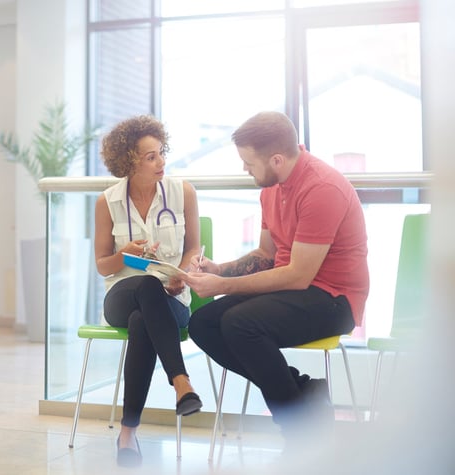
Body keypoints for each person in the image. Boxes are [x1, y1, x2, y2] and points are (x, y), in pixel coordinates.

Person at [180, 111, 369, 454]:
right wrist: (218, 269)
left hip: (335, 299)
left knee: (240, 324)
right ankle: (302, 393)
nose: (244, 169)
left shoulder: (322, 188)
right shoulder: (272, 188)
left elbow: (298, 275)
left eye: (248, 162)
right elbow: (266, 254)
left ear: (277, 159)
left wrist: (221, 287)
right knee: (204, 324)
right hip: (293, 289)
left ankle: (297, 428)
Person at [94, 115, 203, 468]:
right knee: (145, 286)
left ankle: (128, 432)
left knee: (145, 319)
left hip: (173, 298)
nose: (161, 163)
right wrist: (125, 254)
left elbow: (194, 250)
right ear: (129, 161)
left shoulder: (182, 192)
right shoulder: (107, 202)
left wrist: (183, 275)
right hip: (121, 296)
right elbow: (102, 265)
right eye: (150, 157)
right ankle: (181, 382)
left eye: (161, 154)